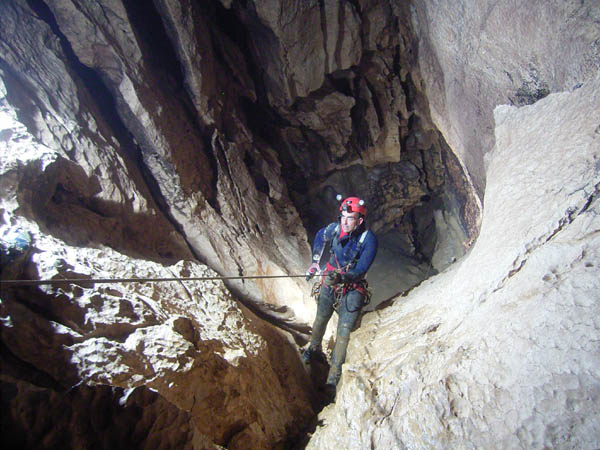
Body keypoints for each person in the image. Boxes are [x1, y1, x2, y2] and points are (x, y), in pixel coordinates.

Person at [304, 195, 378, 396]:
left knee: (343, 333)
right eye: (343, 217)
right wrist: (315, 262)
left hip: (352, 289)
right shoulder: (335, 229)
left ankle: (332, 380)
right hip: (330, 282)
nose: (344, 222)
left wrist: (343, 277)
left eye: (350, 218)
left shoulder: (368, 240)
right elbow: (320, 236)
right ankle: (313, 350)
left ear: (359, 221)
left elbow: (361, 269)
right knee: (321, 319)